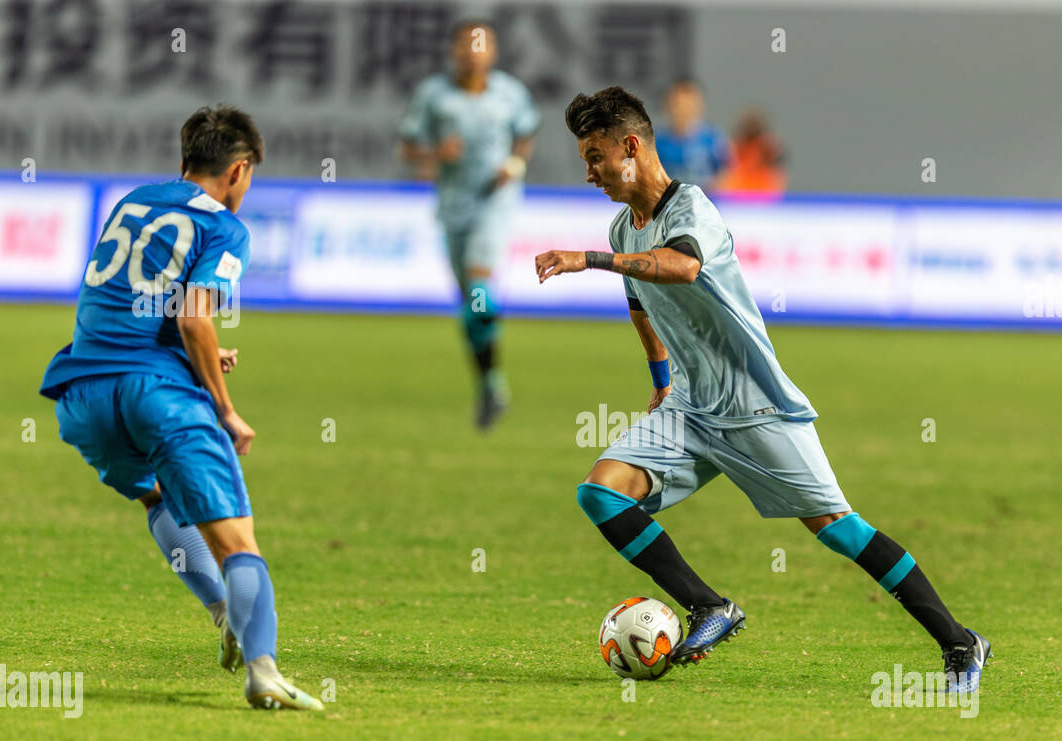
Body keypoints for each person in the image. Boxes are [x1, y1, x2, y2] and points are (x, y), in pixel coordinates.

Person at [534, 87, 991, 690]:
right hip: (692, 407)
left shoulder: (690, 209)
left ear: (631, 146)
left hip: (755, 405)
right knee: (601, 493)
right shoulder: (624, 227)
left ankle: (961, 644)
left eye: (595, 157)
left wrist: (586, 259)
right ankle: (708, 607)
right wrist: (661, 378)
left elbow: (682, 266)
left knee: (839, 529)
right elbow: (640, 302)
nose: (589, 172)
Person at [39, 105, 323, 711]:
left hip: (83, 392)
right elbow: (195, 314)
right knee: (238, 542)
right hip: (157, 396)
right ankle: (264, 670)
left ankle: (220, 610)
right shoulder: (225, 227)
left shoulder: (133, 202)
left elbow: (127, 302)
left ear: (184, 159)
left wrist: (194, 357)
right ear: (240, 171)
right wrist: (224, 406)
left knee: (157, 496)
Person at [399, 20, 541, 429]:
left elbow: (526, 135)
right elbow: (408, 146)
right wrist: (434, 154)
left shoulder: (510, 94)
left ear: (493, 52)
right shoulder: (434, 96)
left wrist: (514, 164)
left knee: (480, 280)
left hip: (495, 202)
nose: (473, 53)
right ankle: (491, 384)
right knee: (470, 308)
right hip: (453, 206)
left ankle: (487, 309)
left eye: (481, 45)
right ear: (454, 51)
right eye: (466, 45)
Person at [653, 78, 730, 193]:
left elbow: (728, 173)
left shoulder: (713, 140)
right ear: (668, 106)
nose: (683, 110)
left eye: (689, 104)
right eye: (678, 104)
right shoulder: (658, 143)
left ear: (699, 105)